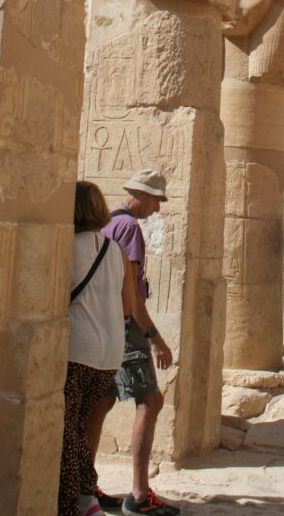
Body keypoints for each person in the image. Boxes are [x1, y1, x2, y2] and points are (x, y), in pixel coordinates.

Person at [86, 169, 179, 516]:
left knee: (103, 399)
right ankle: (139, 494)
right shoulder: (129, 228)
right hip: (126, 326)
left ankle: (85, 484)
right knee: (150, 401)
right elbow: (132, 293)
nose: (157, 208)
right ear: (140, 195)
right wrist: (155, 338)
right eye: (156, 200)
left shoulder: (106, 221)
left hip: (102, 323)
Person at [60, 180, 135, 516]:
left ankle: (78, 501)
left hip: (78, 348)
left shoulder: (65, 246)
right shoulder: (114, 249)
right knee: (77, 424)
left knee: (66, 427)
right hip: (109, 351)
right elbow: (128, 304)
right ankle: (86, 496)